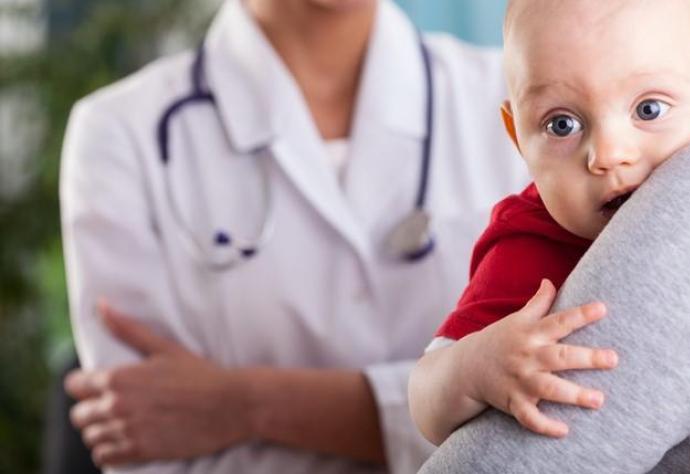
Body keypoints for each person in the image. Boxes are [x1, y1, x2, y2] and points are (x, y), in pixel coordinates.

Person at [58, 0, 537, 472]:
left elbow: (550, 408)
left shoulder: (525, 100)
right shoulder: (120, 136)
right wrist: (459, 390)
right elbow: (150, 439)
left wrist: (242, 405)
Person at [418, 0, 690, 472]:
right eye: (562, 124)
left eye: (649, 109)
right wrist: (477, 366)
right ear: (519, 138)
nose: (607, 153)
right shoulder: (524, 244)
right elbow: (426, 399)